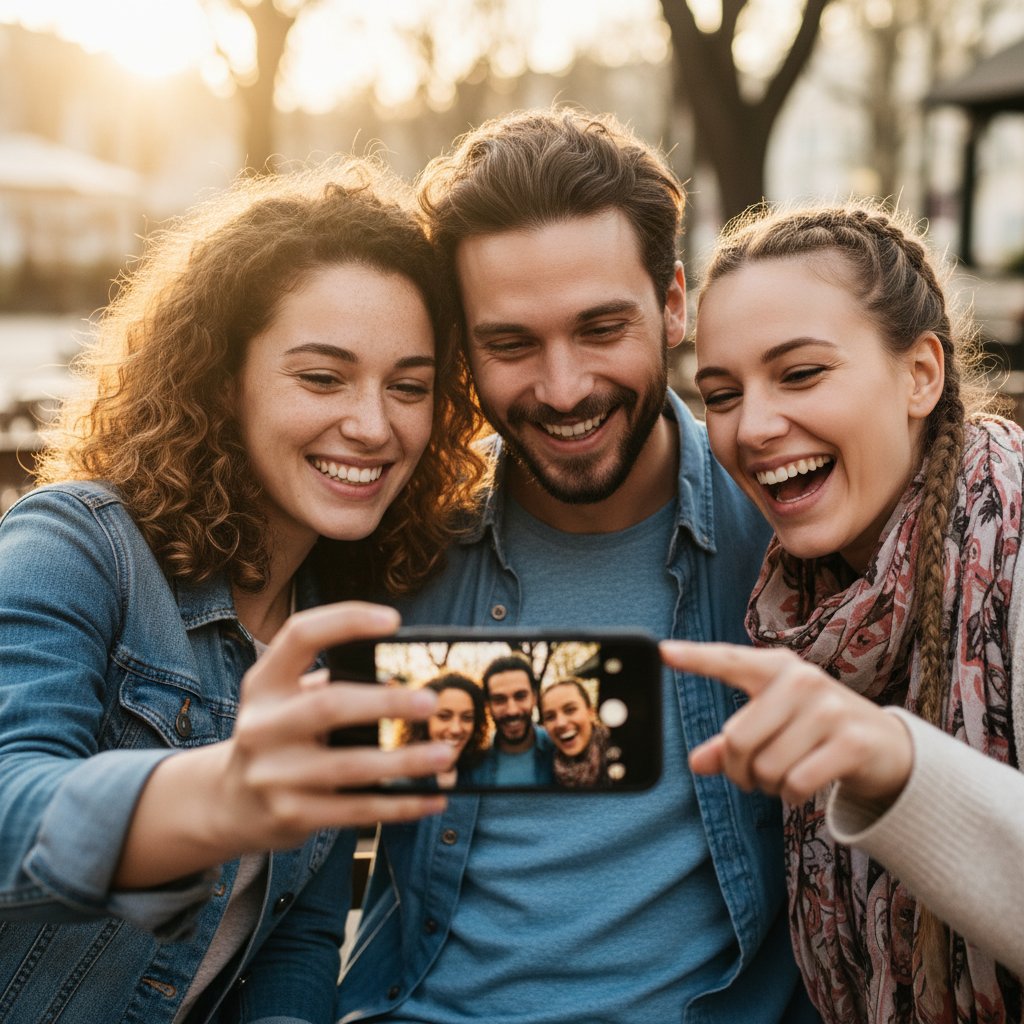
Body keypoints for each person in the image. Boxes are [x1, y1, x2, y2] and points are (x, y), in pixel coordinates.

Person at [337, 109, 816, 1024]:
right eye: (511, 344)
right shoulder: (398, 543)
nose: (563, 389)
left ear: (673, 303)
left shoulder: (789, 536)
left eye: (601, 328)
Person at [0, 158, 487, 1024]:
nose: (373, 425)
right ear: (223, 381)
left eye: (409, 387)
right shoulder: (76, 544)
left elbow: (298, 934)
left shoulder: (342, 629)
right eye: (323, 377)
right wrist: (218, 795)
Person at [661, 200, 1024, 1023]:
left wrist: (894, 764)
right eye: (721, 394)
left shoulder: (1011, 551)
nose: (754, 427)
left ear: (920, 374)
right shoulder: (802, 598)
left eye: (800, 374)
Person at [471, 652, 554, 785]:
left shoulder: (558, 750)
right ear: (488, 705)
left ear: (534, 697)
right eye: (499, 700)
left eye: (520, 696)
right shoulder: (473, 761)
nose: (512, 710)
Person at [398, 673, 489, 788]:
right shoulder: (400, 781)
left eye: (467, 718)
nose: (456, 729)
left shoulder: (483, 774)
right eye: (444, 716)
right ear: (423, 721)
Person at [539, 677, 610, 788]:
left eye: (570, 710)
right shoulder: (544, 772)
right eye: (550, 717)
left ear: (591, 713)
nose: (561, 723)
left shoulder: (621, 755)